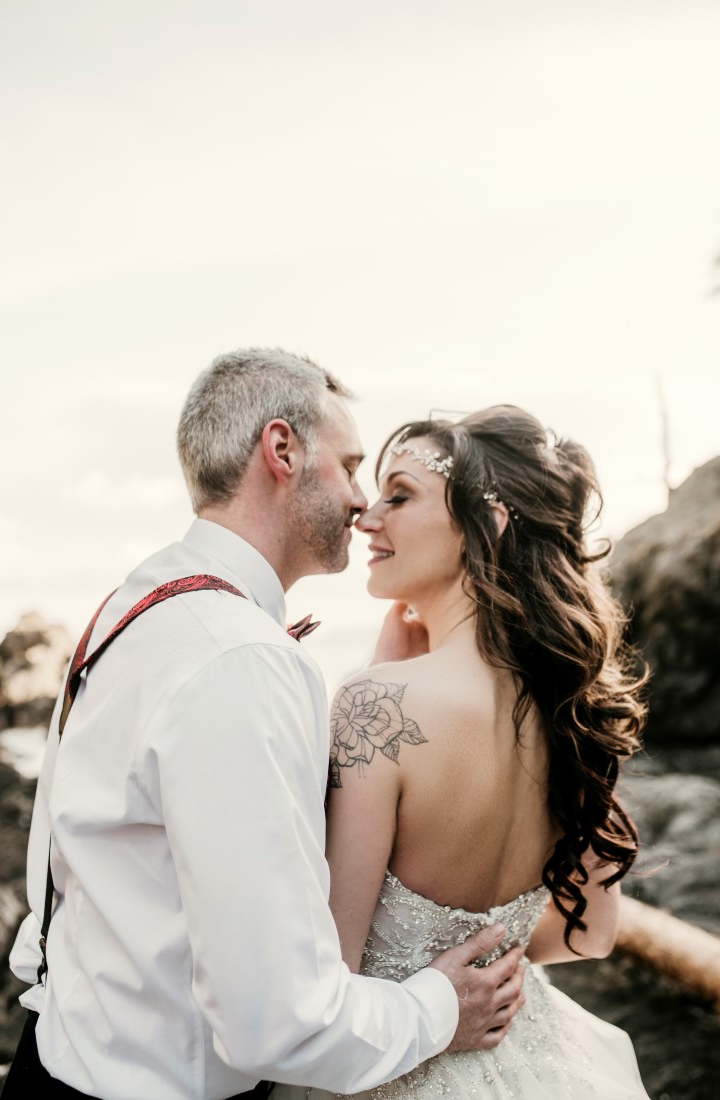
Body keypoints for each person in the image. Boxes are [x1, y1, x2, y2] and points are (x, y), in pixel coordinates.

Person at [4, 350, 526, 1100]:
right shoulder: (239, 660)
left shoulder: (133, 607)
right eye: (350, 467)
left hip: (56, 1059)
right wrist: (441, 1007)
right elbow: (278, 1024)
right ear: (282, 450)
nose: (360, 502)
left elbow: (62, 860)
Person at [274, 405, 651, 1100]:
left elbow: (330, 977)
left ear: (490, 523)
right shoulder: (572, 706)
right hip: (538, 1063)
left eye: (400, 495)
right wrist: (491, 947)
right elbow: (590, 934)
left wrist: (433, 987)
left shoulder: (377, 705)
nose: (367, 518)